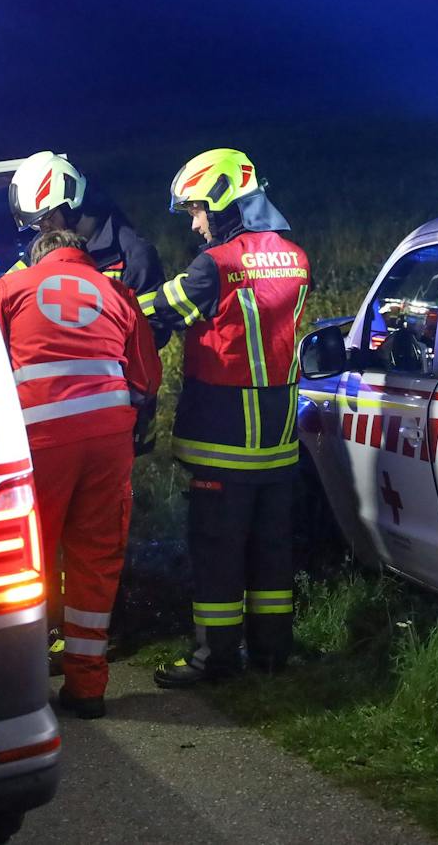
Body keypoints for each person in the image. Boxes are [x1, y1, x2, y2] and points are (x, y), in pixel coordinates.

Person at [140, 148, 311, 687]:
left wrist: (101, 299)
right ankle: (271, 652)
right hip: (280, 436)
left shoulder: (215, 264)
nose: (194, 223)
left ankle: (214, 659)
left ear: (221, 201)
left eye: (196, 210)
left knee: (218, 552)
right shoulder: (296, 255)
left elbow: (156, 309)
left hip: (223, 435)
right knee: (271, 550)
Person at [0, 227, 162, 718]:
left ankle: (19, 684)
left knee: (27, 562)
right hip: (108, 443)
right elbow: (147, 379)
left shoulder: (10, 289)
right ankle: (87, 688)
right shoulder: (117, 291)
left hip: (37, 444)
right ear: (83, 257)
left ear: (37, 255)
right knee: (95, 558)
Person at [8, 150, 166, 297]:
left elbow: (150, 324)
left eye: (47, 217)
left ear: (71, 205)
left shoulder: (133, 255)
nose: (43, 229)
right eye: (37, 224)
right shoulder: (43, 242)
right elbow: (7, 288)